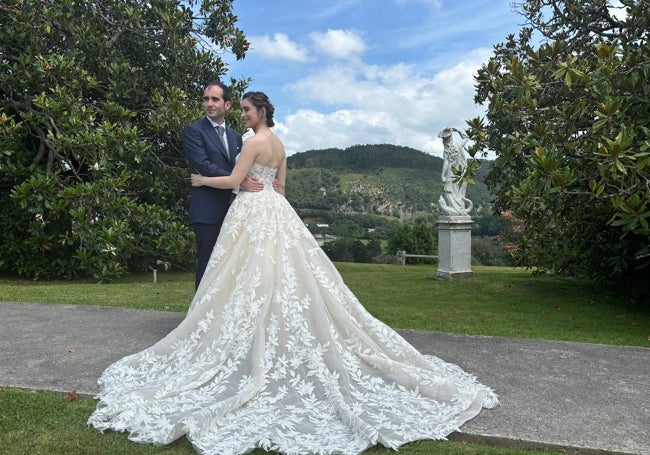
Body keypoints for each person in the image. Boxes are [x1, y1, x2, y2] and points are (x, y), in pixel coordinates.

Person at [88, 92, 498, 455]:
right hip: (275, 212)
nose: (243, 116)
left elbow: (233, 180)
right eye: (243, 110)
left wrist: (201, 179)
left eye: (247, 110)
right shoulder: (280, 145)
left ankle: (250, 339)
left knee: (242, 277)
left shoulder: (252, 142)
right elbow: (280, 189)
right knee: (279, 277)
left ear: (261, 111)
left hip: (250, 213)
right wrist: (262, 193)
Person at [183, 81, 264, 290]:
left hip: (235, 210)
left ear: (227, 105)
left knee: (231, 267)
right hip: (208, 211)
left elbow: (245, 166)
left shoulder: (237, 136)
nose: (209, 103)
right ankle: (199, 318)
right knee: (207, 265)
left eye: (215, 99)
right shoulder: (194, 131)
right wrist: (238, 180)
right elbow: (202, 164)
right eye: (205, 99)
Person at [438, 127, 473, 216]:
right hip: (460, 174)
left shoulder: (451, 149)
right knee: (456, 191)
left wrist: (443, 176)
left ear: (445, 141)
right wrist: (457, 130)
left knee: (451, 191)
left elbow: (446, 163)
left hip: (454, 174)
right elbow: (466, 137)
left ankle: (458, 210)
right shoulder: (457, 146)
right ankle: (458, 210)